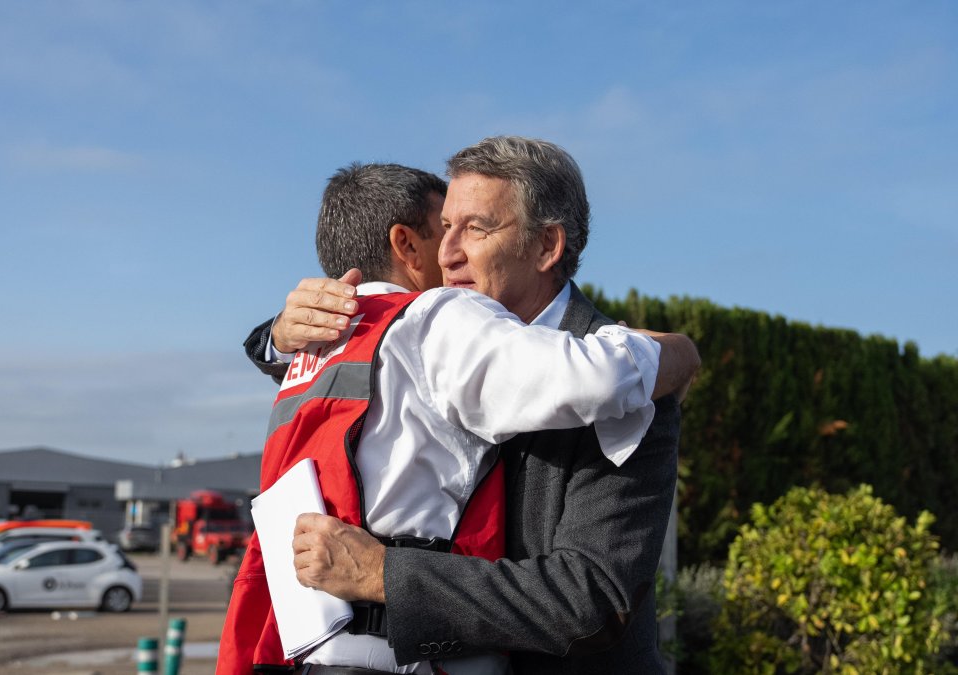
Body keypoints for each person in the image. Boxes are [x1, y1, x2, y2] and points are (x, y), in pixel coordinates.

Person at [231, 154, 698, 673]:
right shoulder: (428, 336)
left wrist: (383, 574)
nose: (448, 255)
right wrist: (274, 338)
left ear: (547, 245)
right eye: (445, 227)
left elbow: (589, 601)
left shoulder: (635, 381)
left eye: (475, 229)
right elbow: (358, 379)